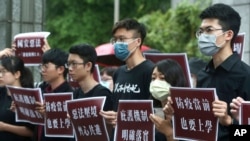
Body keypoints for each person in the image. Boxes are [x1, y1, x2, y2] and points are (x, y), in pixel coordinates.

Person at [164, 3, 250, 141]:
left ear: (228, 35)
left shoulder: (246, 76)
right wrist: (175, 112)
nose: (203, 36)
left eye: (209, 30)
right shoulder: (203, 74)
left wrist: (229, 121)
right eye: (201, 31)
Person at [99, 18, 155, 139]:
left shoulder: (151, 71)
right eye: (115, 40)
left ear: (137, 41)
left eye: (122, 39)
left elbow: (156, 113)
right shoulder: (118, 72)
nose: (117, 44)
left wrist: (122, 117)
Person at [67, 44, 113, 137]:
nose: (70, 68)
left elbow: (109, 130)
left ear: (88, 66)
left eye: (74, 64)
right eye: (68, 64)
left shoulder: (103, 94)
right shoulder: (76, 94)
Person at [34, 47, 73, 141]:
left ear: (60, 69)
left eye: (46, 66)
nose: (42, 70)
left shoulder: (70, 96)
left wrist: (49, 115)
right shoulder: (41, 92)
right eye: (41, 66)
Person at [149, 59, 186, 141]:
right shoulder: (152, 112)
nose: (156, 82)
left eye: (162, 78)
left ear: (175, 81)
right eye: (153, 78)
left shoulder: (187, 116)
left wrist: (169, 132)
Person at [0, 56, 34, 141]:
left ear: (17, 74)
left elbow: (32, 131)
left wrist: (5, 127)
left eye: (3, 71)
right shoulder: (1, 92)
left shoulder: (28, 97)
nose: (0, 75)